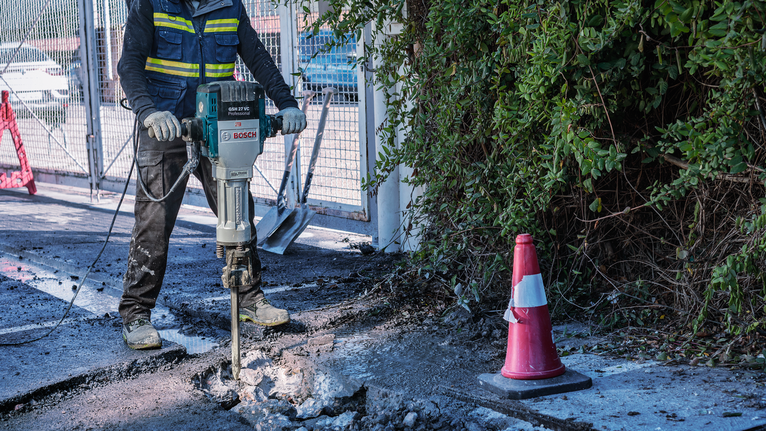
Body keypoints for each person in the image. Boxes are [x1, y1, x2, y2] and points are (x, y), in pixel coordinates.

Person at [117, 0, 306, 349]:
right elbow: (129, 65)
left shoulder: (229, 6)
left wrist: (287, 103)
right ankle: (136, 313)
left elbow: (257, 58)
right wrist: (148, 112)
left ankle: (250, 299)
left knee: (238, 212)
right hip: (165, 126)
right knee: (154, 223)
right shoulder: (151, 5)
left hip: (217, 126)